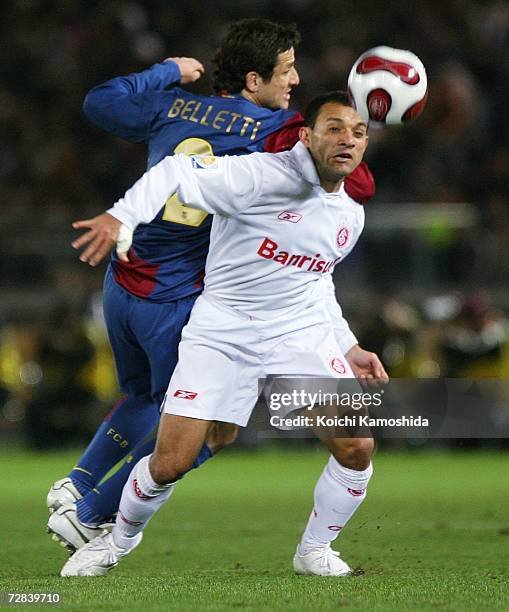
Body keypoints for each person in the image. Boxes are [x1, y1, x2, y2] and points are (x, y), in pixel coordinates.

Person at [47, 19, 375, 551]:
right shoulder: (272, 128)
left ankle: (77, 484)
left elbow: (100, 102)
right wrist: (351, 130)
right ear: (253, 80)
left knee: (143, 397)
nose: (295, 82)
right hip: (177, 294)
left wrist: (166, 72)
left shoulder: (171, 104)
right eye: (287, 71)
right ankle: (90, 513)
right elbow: (356, 179)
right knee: (212, 429)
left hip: (123, 280)